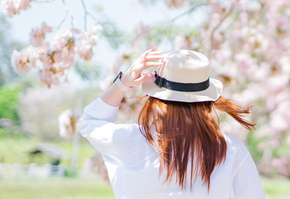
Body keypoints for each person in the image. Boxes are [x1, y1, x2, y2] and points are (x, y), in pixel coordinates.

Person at [78, 49, 265, 199]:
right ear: (207, 100)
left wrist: (124, 83)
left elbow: (91, 121)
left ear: (154, 98)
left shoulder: (130, 140)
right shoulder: (230, 149)